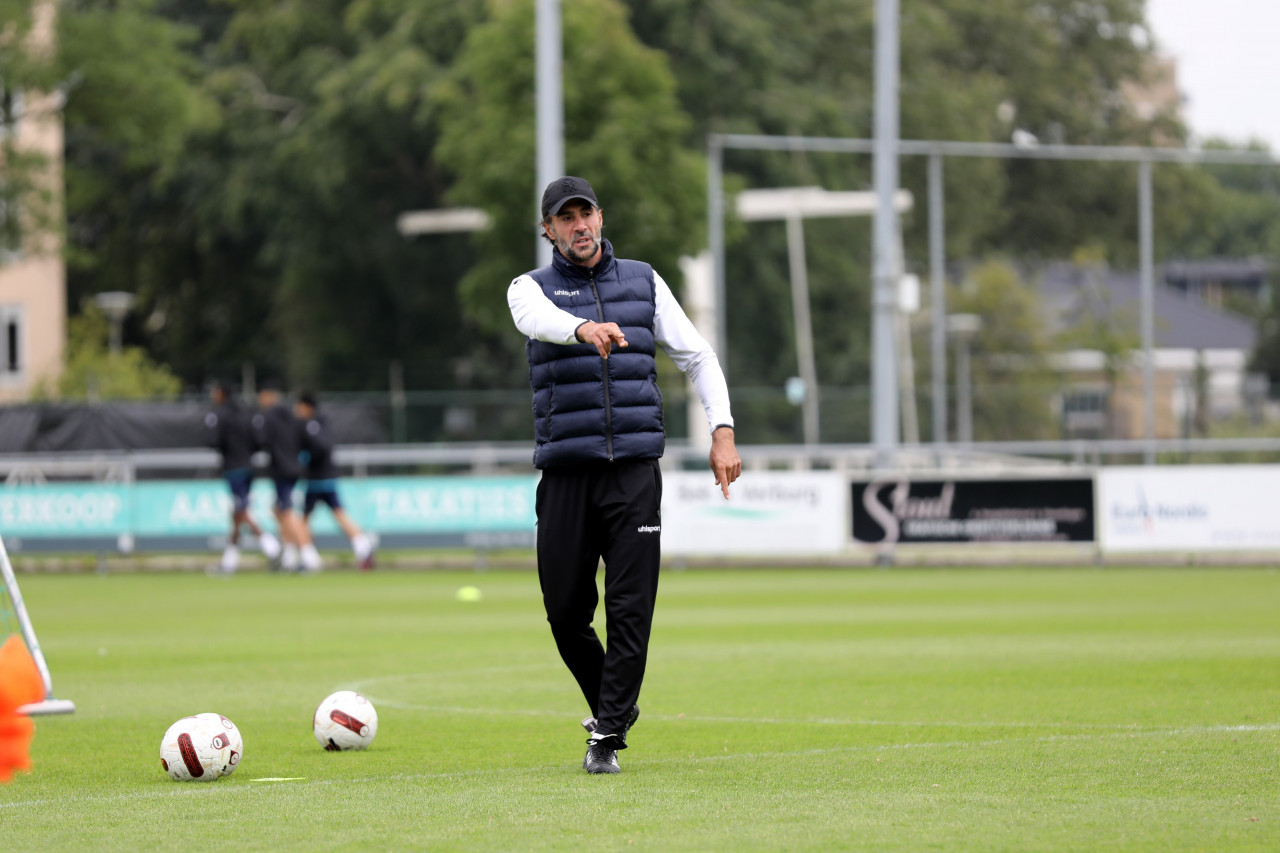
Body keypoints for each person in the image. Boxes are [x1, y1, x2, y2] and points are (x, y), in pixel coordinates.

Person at [507, 176, 741, 774]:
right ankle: (617, 707)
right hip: (565, 474)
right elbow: (536, 321)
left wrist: (722, 430)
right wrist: (585, 329)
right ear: (548, 230)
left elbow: (697, 356)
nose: (579, 225)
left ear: (601, 218)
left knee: (631, 608)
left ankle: (607, 732)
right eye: (566, 218)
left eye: (586, 214)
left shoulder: (644, 281)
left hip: (634, 474)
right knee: (565, 611)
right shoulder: (529, 290)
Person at [294, 390, 376, 570]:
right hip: (325, 478)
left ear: (307, 406)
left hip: (318, 479)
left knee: (304, 521)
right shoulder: (322, 423)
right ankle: (362, 547)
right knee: (335, 514)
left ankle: (308, 558)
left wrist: (306, 458)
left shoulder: (311, 425)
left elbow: (322, 448)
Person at [204, 380, 279, 573]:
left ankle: (271, 546)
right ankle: (230, 562)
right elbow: (259, 441)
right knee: (237, 513)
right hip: (248, 466)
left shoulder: (220, 414)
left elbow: (212, 440)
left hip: (233, 467)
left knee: (241, 509)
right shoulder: (245, 414)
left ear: (221, 393)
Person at [253, 381, 321, 573]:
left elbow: (261, 440)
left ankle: (309, 555)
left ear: (268, 396)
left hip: (281, 468)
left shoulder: (269, 416)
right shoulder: (292, 415)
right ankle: (290, 557)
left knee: (288, 511)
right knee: (280, 510)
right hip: (294, 466)